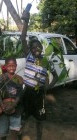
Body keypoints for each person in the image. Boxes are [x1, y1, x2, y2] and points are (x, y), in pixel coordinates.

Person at [20, 8, 58, 140]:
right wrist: (26, 21)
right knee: (24, 117)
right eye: (33, 47)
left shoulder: (46, 61)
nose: (36, 49)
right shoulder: (29, 56)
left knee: (39, 119)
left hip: (40, 94)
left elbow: (56, 76)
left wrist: (48, 87)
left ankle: (39, 137)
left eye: (38, 47)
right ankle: (20, 135)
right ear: (30, 50)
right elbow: (22, 38)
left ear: (42, 48)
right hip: (27, 92)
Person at [0, 57, 24, 140]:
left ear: (16, 66)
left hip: (15, 109)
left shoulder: (19, 79)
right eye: (9, 65)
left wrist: (13, 105)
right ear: (5, 66)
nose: (11, 67)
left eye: (13, 65)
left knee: (14, 130)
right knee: (2, 132)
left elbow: (19, 94)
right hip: (3, 109)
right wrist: (2, 105)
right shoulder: (1, 78)